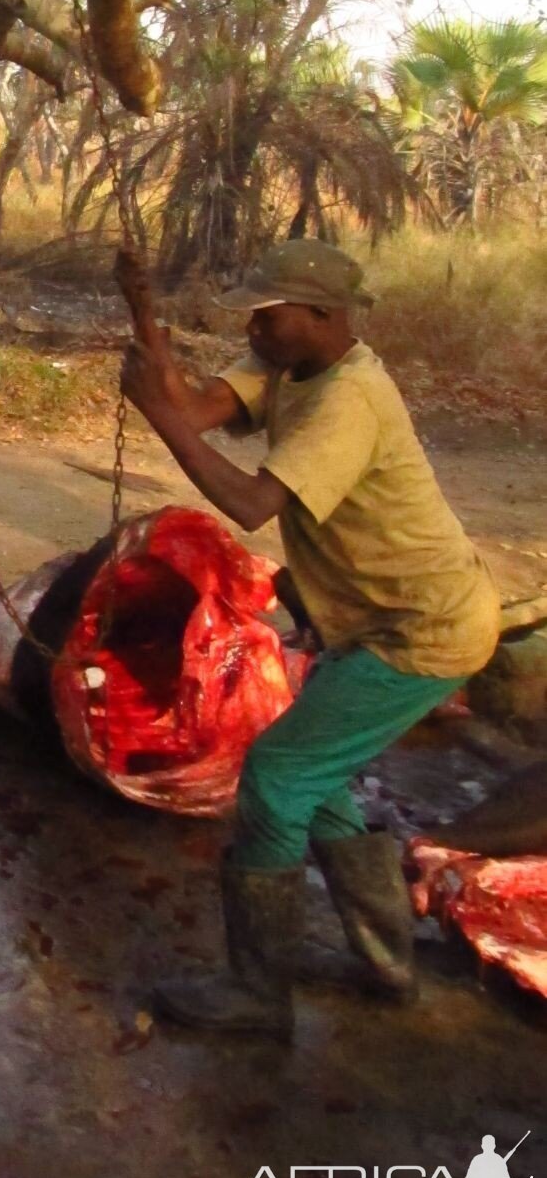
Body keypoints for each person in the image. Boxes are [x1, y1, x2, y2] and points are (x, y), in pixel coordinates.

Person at [118, 239, 499, 1039]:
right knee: (316, 783)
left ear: (324, 316)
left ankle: (257, 991)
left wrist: (159, 420)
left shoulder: (349, 399)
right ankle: (385, 963)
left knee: (275, 777)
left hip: (421, 629)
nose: (254, 329)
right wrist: (142, 312)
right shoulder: (290, 366)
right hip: (377, 621)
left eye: (269, 315)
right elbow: (195, 408)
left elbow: (251, 501)